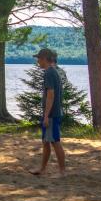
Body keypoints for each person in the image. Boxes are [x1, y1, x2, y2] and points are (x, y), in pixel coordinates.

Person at [32, 48, 66, 176]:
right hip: (53, 113)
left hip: (52, 114)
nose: (38, 61)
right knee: (46, 142)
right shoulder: (53, 71)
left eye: (39, 59)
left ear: (45, 59)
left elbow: (50, 95)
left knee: (55, 142)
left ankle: (62, 171)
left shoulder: (49, 73)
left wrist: (46, 116)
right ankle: (42, 169)